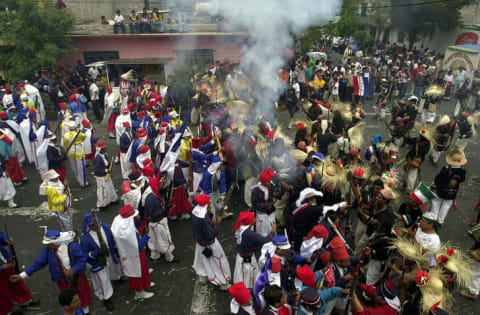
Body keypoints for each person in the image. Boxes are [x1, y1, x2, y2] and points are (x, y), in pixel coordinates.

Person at [10, 230, 91, 314]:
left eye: (48, 244)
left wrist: (73, 270)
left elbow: (82, 260)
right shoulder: (48, 251)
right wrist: (21, 276)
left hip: (77, 278)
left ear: (55, 243)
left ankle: (85, 311)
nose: (46, 246)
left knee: (82, 294)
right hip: (63, 281)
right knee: (68, 299)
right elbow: (38, 263)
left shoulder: (73, 246)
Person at [111, 205, 155, 300]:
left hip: (129, 255)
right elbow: (138, 246)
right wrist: (146, 235)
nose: (137, 216)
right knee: (137, 273)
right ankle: (139, 292)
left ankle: (145, 284)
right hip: (136, 255)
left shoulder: (120, 224)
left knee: (140, 271)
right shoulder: (128, 232)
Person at [80, 212, 121, 311]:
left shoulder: (105, 227)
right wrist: (95, 253)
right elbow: (84, 254)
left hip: (109, 254)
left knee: (113, 268)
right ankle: (106, 297)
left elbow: (112, 239)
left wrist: (115, 250)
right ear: (89, 226)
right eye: (94, 224)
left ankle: (116, 278)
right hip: (98, 261)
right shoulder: (85, 238)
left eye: (98, 223)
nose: (97, 225)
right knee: (103, 279)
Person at [191, 193, 231, 290]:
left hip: (200, 243)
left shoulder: (195, 212)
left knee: (201, 262)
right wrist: (218, 223)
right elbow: (211, 234)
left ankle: (203, 277)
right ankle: (223, 282)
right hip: (210, 244)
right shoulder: (203, 218)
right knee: (219, 262)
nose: (210, 204)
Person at [0, 231, 40, 315]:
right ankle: (6, 310)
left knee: (15, 281)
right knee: (2, 290)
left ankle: (25, 300)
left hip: (5, 261)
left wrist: (5, 239)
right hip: (2, 266)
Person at [234, 211, 276, 289]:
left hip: (242, 257)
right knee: (246, 279)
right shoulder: (248, 234)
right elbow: (265, 240)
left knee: (246, 276)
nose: (255, 219)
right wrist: (273, 232)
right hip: (246, 260)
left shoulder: (242, 228)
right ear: (249, 222)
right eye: (253, 218)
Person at [142, 177, 178, 263]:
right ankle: (169, 256)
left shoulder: (149, 194)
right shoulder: (152, 198)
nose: (159, 186)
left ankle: (155, 255)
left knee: (153, 240)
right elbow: (150, 214)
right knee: (165, 239)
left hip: (152, 224)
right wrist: (164, 209)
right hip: (158, 222)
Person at [93, 142, 118, 209]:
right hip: (101, 177)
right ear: (101, 149)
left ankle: (112, 199)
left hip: (106, 175)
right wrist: (105, 170)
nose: (106, 149)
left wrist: (110, 164)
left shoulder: (105, 155)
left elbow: (107, 163)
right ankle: (103, 204)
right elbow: (96, 171)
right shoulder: (97, 159)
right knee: (103, 191)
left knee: (110, 187)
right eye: (104, 148)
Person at [64, 121, 88, 188]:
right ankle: (83, 183)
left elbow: (65, 144)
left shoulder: (66, 135)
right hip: (79, 152)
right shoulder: (79, 134)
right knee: (81, 168)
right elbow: (84, 137)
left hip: (70, 153)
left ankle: (78, 179)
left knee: (74, 168)